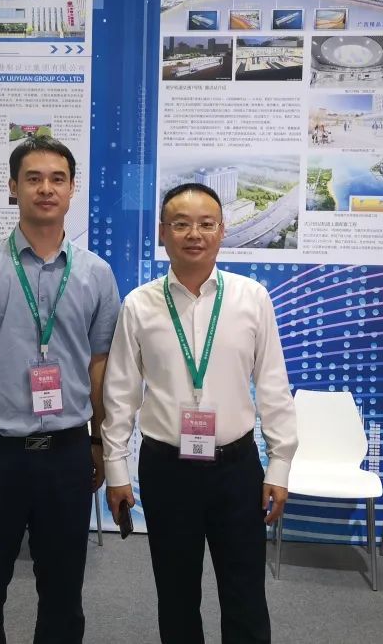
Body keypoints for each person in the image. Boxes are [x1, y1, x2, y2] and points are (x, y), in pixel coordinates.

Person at [0, 136, 121, 644]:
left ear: (72, 189)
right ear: (13, 188)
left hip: (66, 452)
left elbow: (100, 366)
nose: (46, 188)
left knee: (63, 592)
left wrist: (99, 441)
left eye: (58, 179)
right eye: (33, 178)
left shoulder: (97, 274)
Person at [102, 182, 297, 644]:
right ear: (162, 232)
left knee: (245, 594)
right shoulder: (139, 304)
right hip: (166, 469)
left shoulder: (252, 298)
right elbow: (121, 393)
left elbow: (273, 385)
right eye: (182, 224)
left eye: (206, 224)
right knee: (176, 594)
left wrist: (280, 463)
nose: (195, 234)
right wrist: (115, 469)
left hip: (236, 469)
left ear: (222, 231)